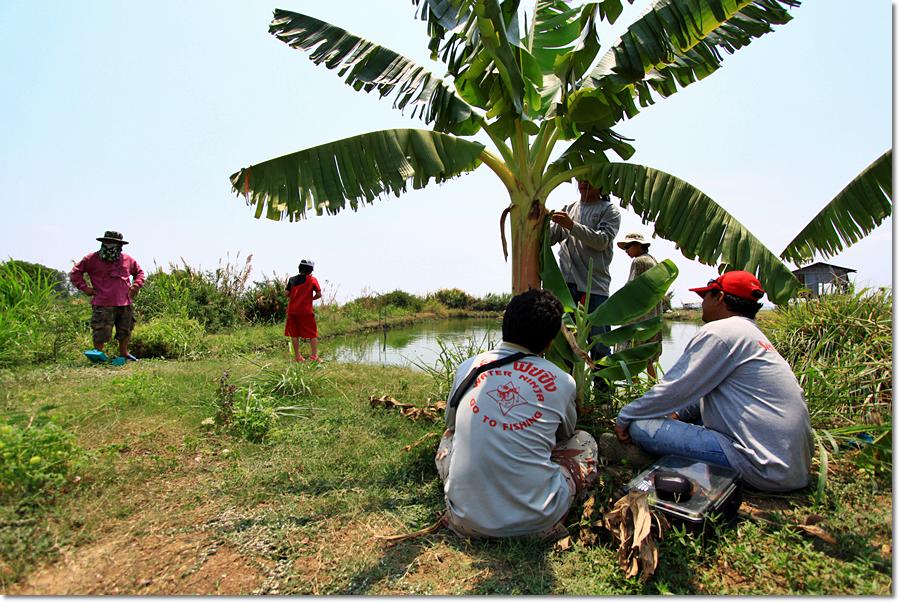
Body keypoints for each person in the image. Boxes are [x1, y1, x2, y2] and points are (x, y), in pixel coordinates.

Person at [612, 270, 813, 492]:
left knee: (640, 427)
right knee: (678, 418)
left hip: (761, 466)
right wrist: (678, 414)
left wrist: (626, 416)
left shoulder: (721, 332)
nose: (702, 303)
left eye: (706, 296)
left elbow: (675, 388)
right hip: (791, 467)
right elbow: (702, 391)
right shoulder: (751, 334)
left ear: (719, 298)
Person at [435, 289, 598, 540]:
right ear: (550, 341)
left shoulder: (468, 367)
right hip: (539, 523)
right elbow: (565, 436)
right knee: (584, 440)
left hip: (464, 520)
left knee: (449, 436)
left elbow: (451, 424)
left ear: (505, 324)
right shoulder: (563, 381)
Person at [548, 179, 621, 361]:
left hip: (593, 288)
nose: (584, 182)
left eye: (591, 178)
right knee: (565, 345)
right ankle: (569, 387)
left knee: (599, 346)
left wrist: (571, 226)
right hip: (565, 288)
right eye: (581, 178)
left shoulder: (608, 210)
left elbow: (602, 240)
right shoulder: (569, 208)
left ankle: (602, 389)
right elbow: (551, 237)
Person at [70, 230, 145, 363]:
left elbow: (139, 273)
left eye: (114, 244)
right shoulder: (91, 259)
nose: (111, 246)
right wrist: (85, 288)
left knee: (125, 330)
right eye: (108, 242)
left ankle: (124, 353)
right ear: (103, 243)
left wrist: (136, 285)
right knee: (101, 331)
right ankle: (98, 355)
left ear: (120, 245)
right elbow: (75, 273)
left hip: (124, 302)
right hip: (102, 302)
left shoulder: (128, 260)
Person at [616, 232, 663, 379]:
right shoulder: (653, 261)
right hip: (654, 319)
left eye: (628, 247)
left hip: (640, 320)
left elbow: (631, 290)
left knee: (632, 357)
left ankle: (635, 392)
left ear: (637, 245)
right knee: (648, 359)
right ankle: (653, 389)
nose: (626, 251)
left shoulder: (639, 262)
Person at [285, 259, 322, 362]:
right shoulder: (312, 280)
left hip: (292, 311)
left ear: (299, 268)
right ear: (310, 270)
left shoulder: (291, 279)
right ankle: (314, 356)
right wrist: (311, 298)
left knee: (294, 334)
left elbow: (286, 294)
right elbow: (319, 294)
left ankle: (298, 357)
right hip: (306, 311)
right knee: (312, 333)